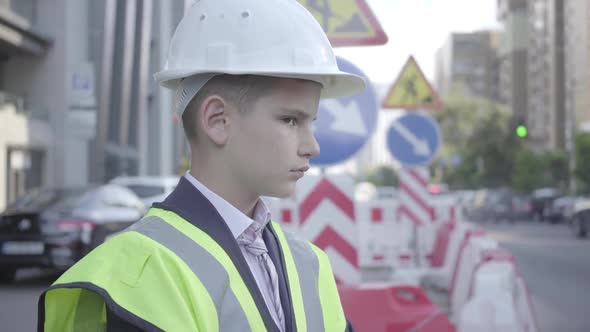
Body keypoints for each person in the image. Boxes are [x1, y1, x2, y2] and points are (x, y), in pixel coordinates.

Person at [38, 0, 365, 331]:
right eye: (291, 120)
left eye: (312, 122)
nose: (312, 146)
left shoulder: (309, 263)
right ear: (217, 120)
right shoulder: (138, 271)